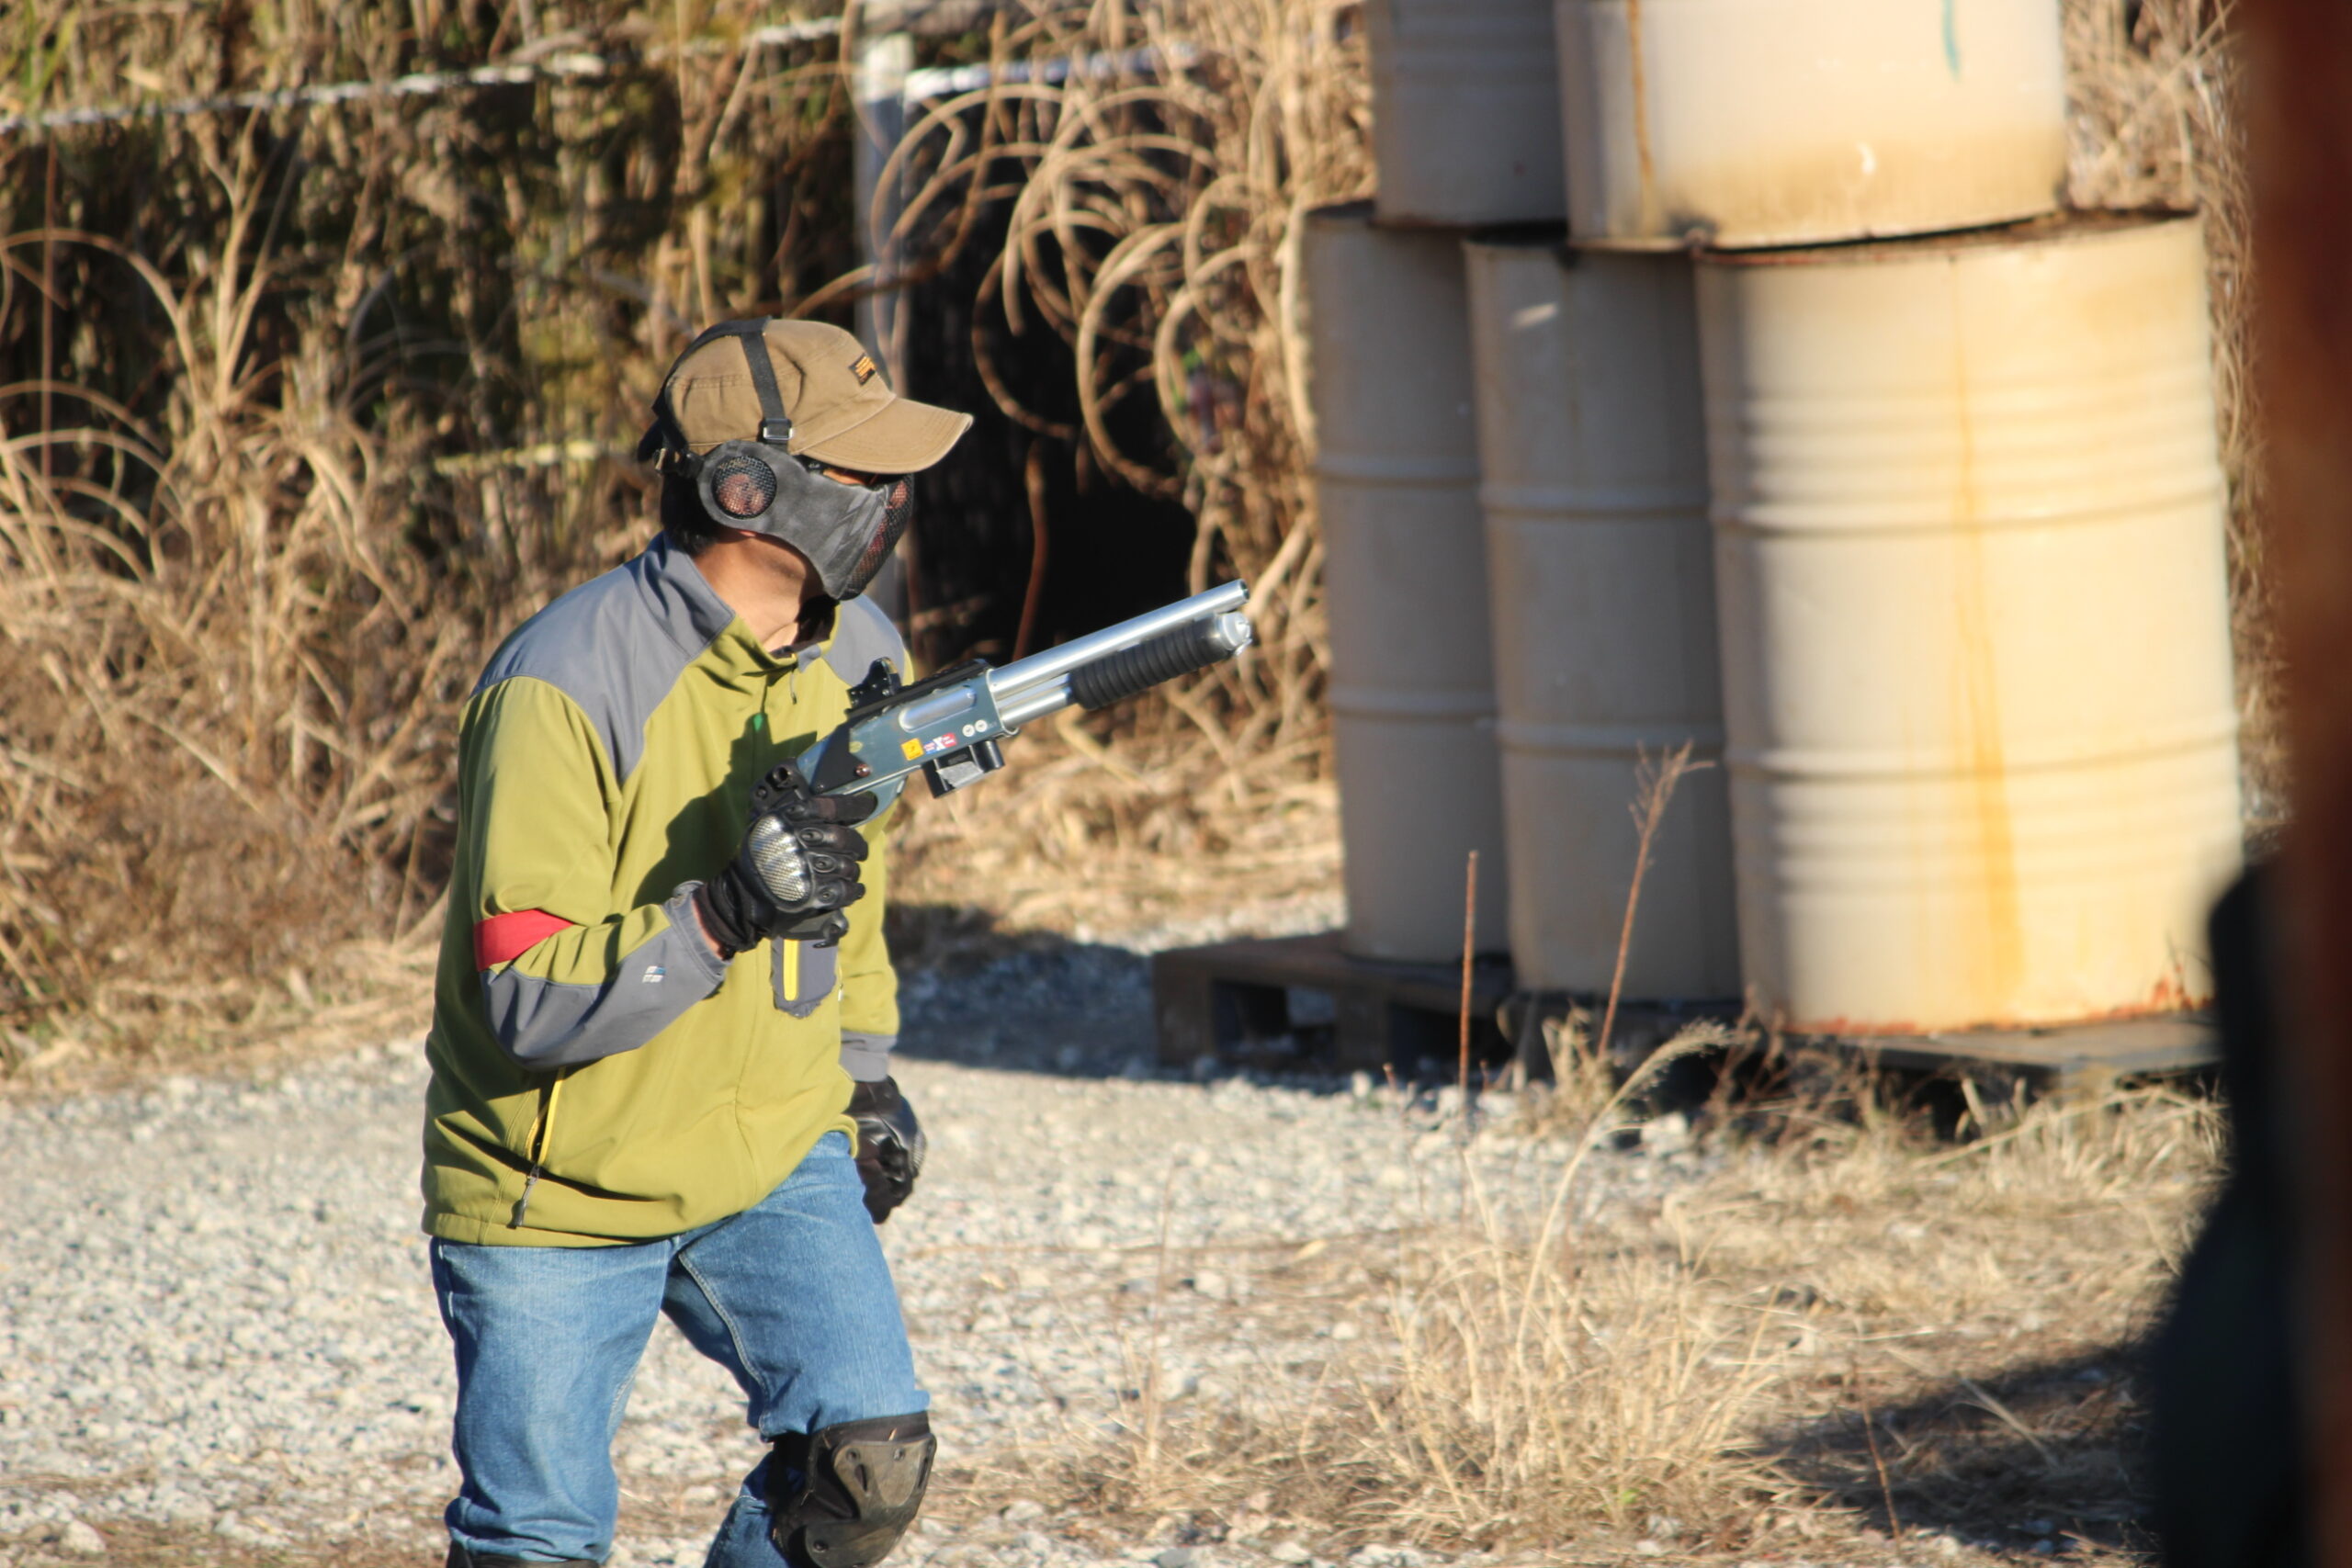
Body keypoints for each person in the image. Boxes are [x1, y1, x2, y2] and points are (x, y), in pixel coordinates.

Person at [419, 318, 972, 1568]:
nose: (896, 500)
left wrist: (862, 1075)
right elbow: (525, 997)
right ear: (745, 487)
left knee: (867, 1466)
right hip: (556, 1191)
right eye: (867, 473)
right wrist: (720, 915)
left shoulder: (861, 652)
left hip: (769, 1149)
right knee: (536, 1541)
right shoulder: (559, 683)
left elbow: (852, 899)